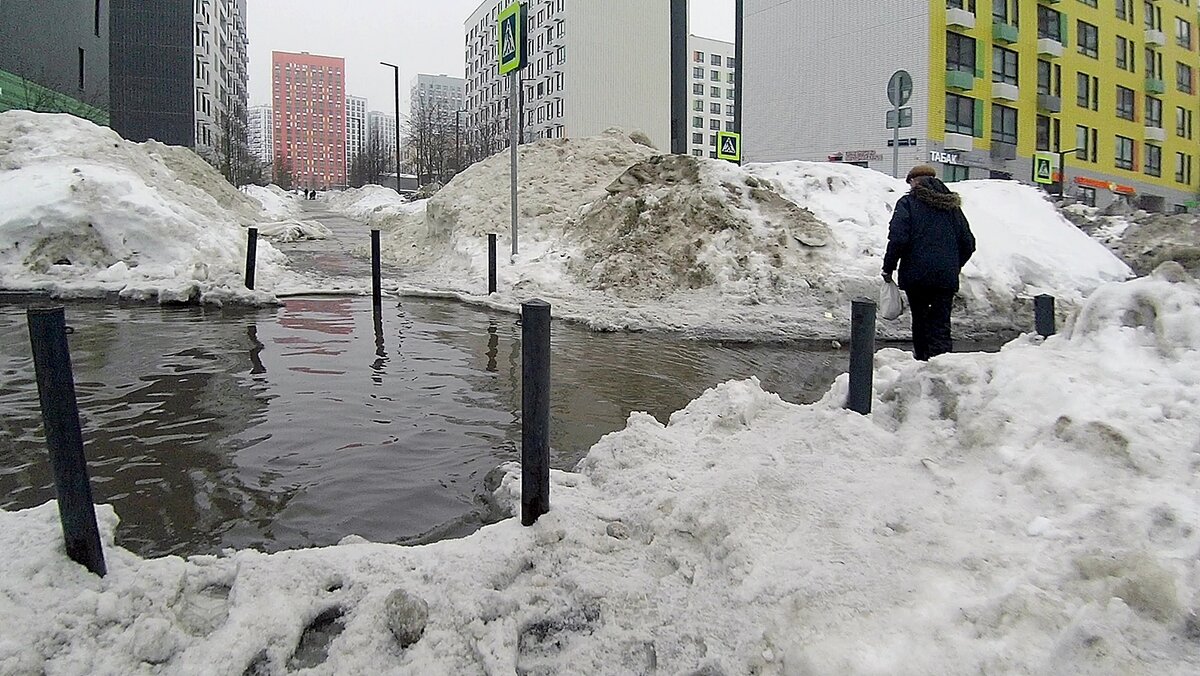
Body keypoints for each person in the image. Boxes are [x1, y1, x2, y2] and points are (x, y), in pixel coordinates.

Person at [881, 165, 976, 361]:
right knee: (941, 323)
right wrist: (954, 266)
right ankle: (942, 364)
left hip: (917, 276)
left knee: (921, 320)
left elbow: (898, 239)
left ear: (914, 181)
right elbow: (968, 242)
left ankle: (923, 363)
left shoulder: (908, 203)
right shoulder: (952, 206)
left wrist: (888, 268)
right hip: (945, 277)